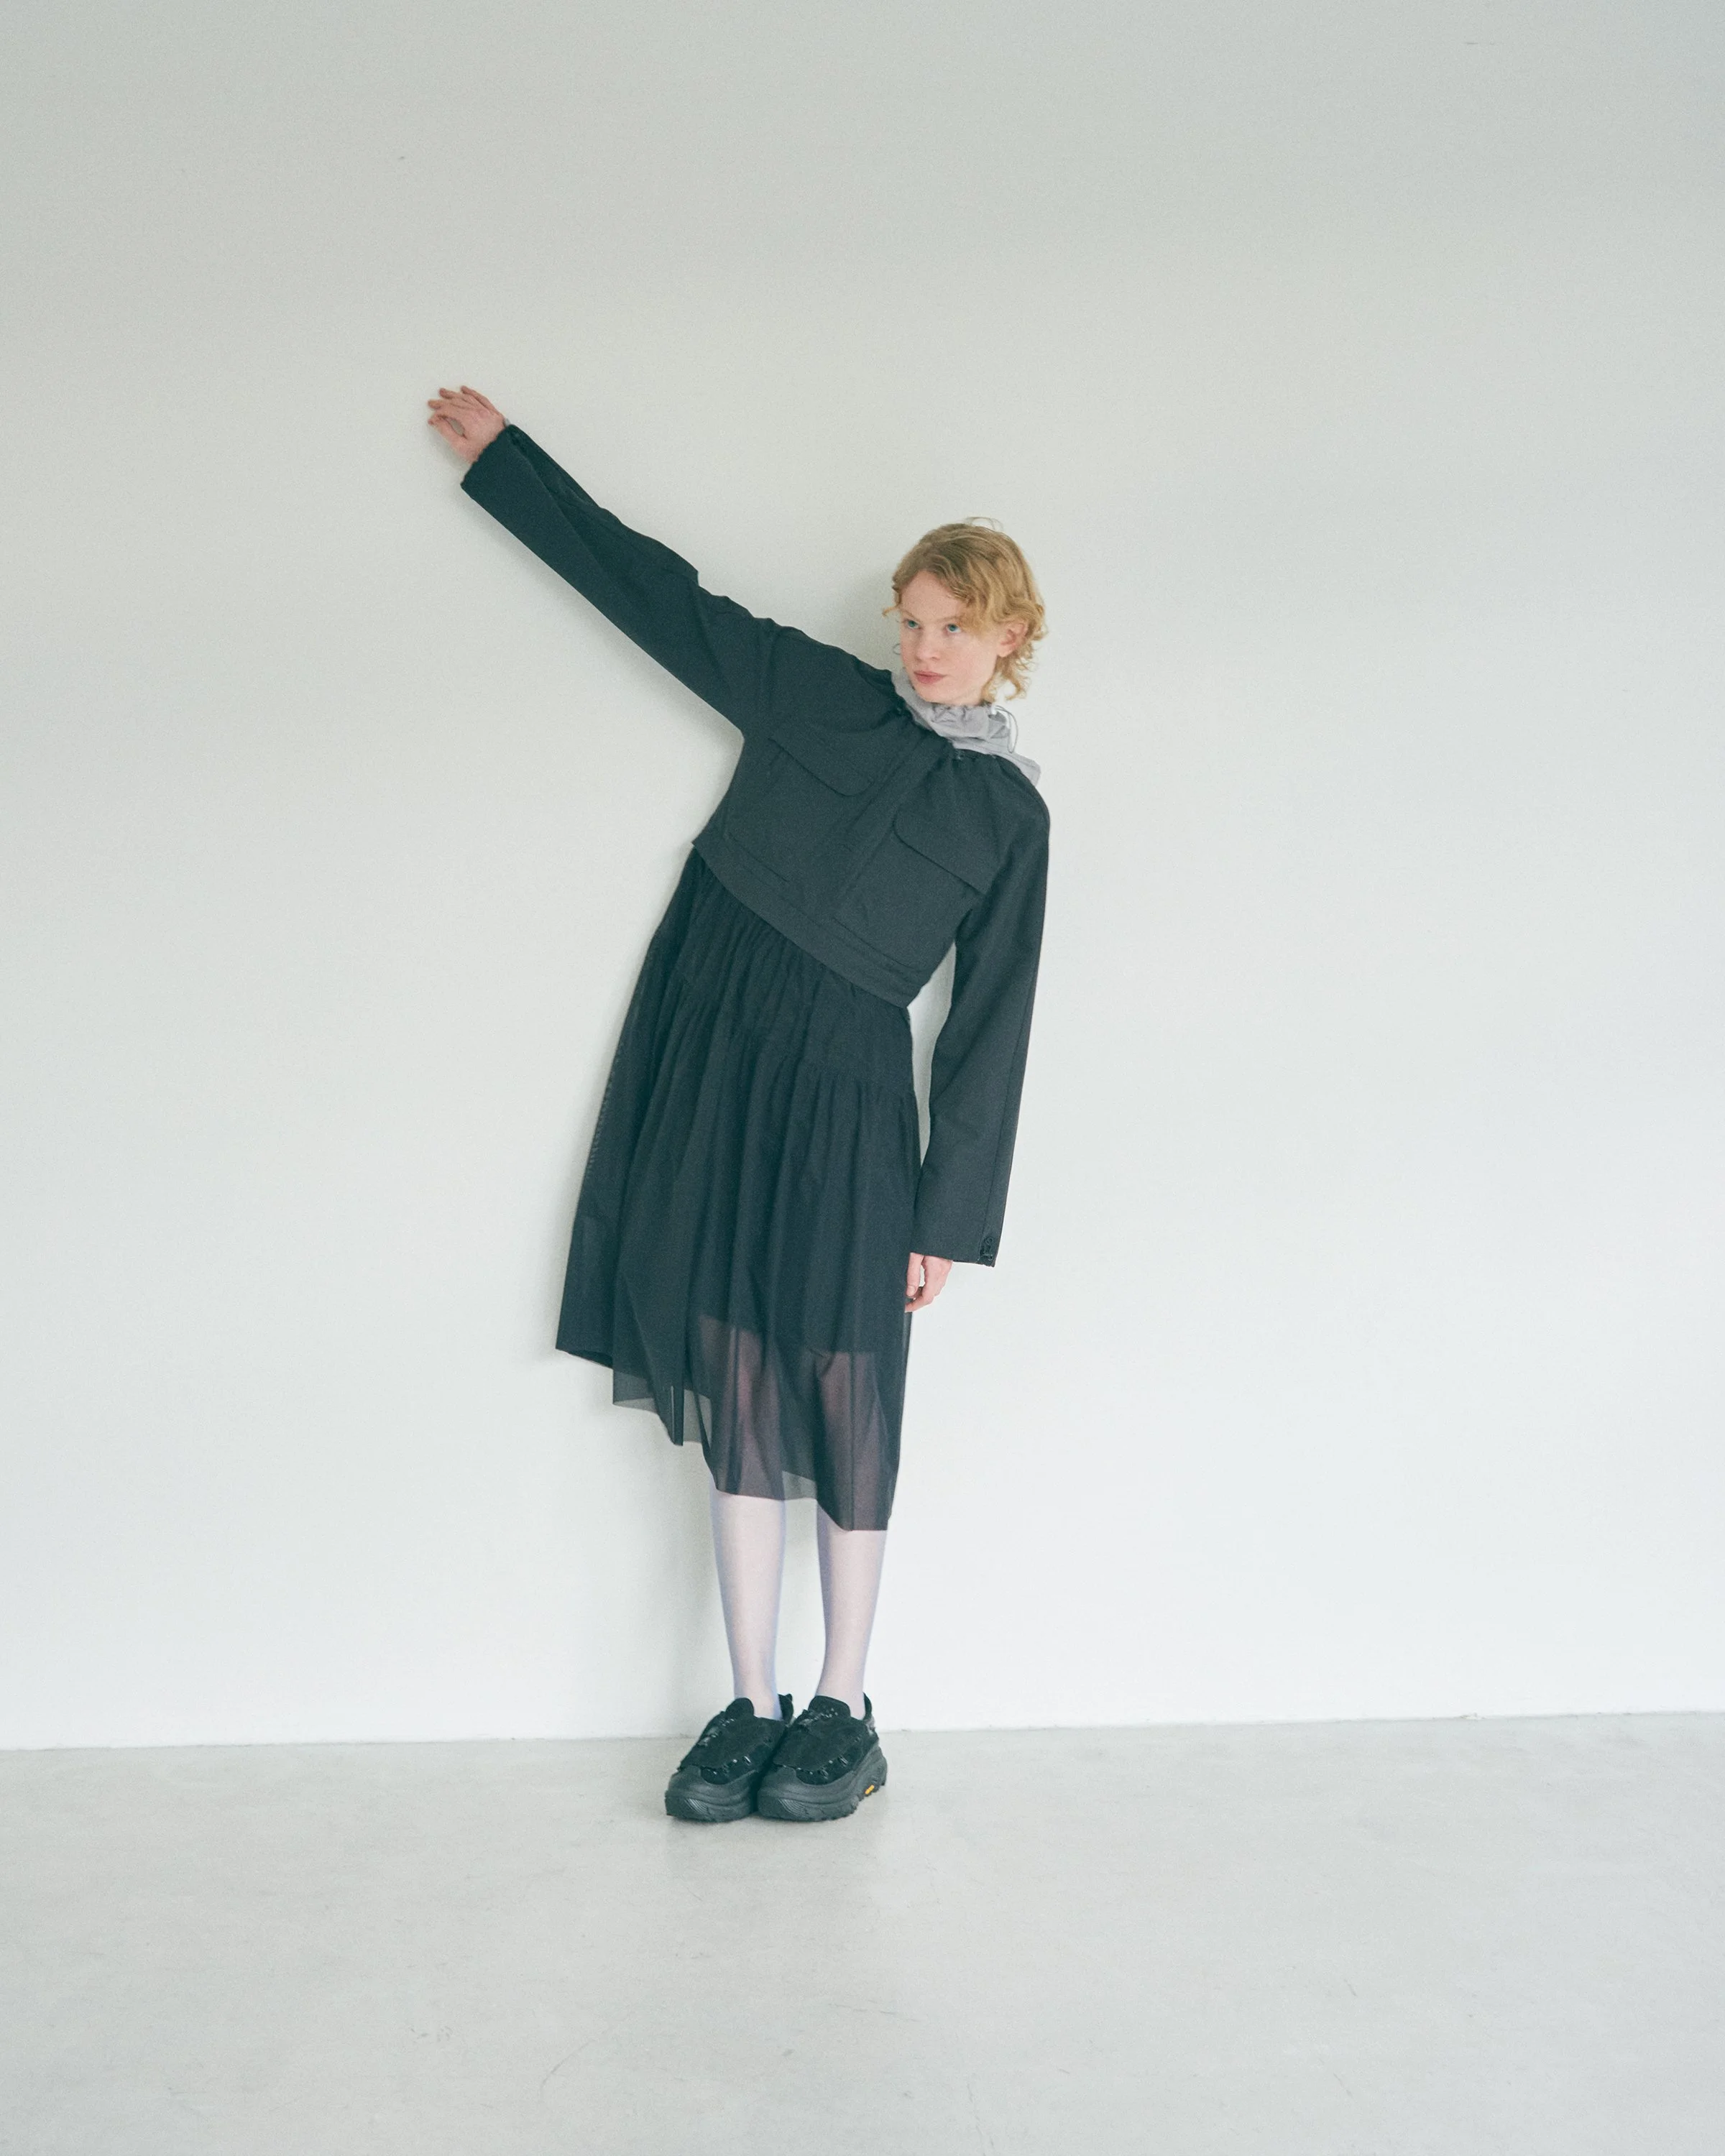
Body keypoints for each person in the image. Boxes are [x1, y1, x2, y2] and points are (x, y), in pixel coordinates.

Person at [428, 384, 1049, 1823]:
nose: (925, 649)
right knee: (741, 1382)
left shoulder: (1011, 819)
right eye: (912, 621)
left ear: (1011, 635)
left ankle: (845, 1704)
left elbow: (993, 1025)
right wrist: (509, 465)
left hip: (849, 1111)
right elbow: (661, 597)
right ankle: (751, 1701)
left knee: (844, 1390)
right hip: (717, 1060)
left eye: (954, 626)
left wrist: (947, 1216)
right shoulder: (817, 693)